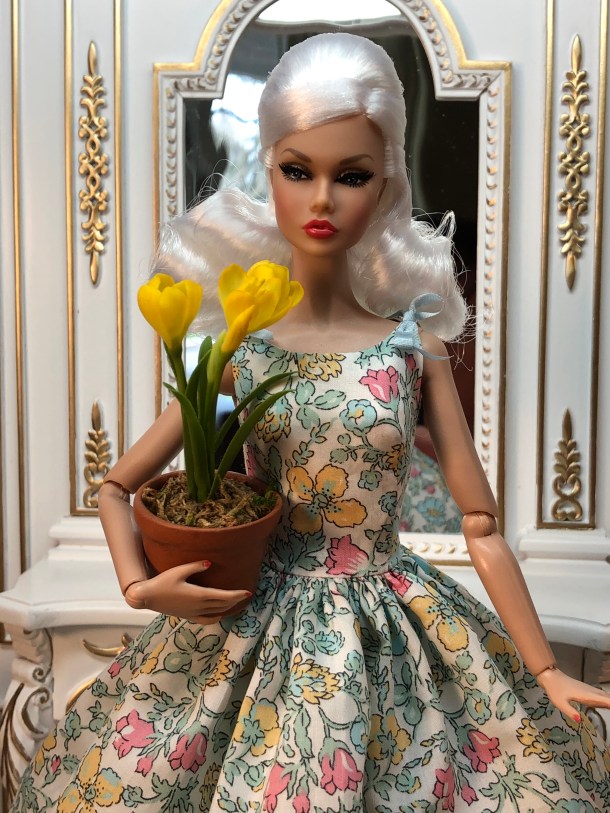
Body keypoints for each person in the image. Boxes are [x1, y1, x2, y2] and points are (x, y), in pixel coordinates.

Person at [11, 33, 610, 813]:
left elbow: (480, 522)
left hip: (391, 615)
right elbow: (117, 486)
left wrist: (544, 667)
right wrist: (140, 586)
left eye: (350, 175)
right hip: (259, 612)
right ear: (269, 171)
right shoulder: (242, 352)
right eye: (299, 171)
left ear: (384, 183)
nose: (322, 199)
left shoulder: (414, 348)